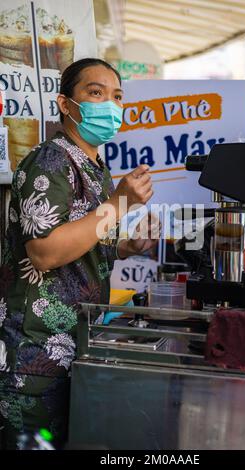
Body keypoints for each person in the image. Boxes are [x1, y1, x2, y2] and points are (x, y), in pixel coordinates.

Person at [0, 58, 158, 449]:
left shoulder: (93, 166)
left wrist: (125, 246)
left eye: (117, 96)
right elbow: (45, 251)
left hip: (74, 345)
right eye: (95, 92)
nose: (110, 104)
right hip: (34, 356)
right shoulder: (51, 160)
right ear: (66, 104)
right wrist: (119, 204)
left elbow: (80, 240)